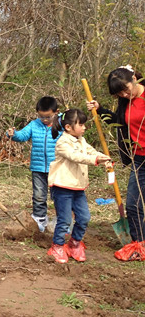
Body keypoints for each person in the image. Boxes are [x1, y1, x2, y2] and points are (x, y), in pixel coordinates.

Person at [88, 66, 145, 261]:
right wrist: (100, 109)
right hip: (139, 158)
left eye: (126, 89)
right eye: (119, 93)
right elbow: (119, 122)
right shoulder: (124, 101)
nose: (124, 94)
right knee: (133, 204)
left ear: (135, 79)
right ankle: (139, 245)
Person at [46, 109, 112, 263]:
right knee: (64, 219)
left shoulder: (81, 139)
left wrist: (102, 157)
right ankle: (57, 246)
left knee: (84, 218)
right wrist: (95, 160)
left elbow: (90, 151)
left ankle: (74, 244)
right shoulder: (63, 142)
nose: (84, 128)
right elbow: (76, 156)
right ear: (68, 127)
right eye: (81, 124)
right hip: (62, 186)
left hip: (77, 187)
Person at [6, 96, 61, 232]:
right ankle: (39, 218)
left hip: (57, 167)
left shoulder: (62, 124)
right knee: (39, 194)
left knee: (58, 195)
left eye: (48, 117)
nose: (45, 120)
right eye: (41, 117)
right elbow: (23, 136)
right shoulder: (34, 124)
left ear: (56, 112)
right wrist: (13, 134)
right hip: (38, 166)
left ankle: (61, 218)